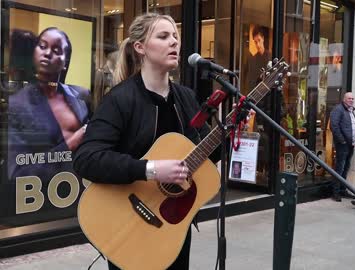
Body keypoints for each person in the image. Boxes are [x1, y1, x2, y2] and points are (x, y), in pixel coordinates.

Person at [73, 14, 220, 270]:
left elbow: (207, 156)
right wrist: (150, 169)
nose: (174, 42)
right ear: (140, 47)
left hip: (173, 222)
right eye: (163, 36)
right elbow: (86, 159)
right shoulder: (120, 100)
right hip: (129, 221)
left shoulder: (185, 98)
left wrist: (229, 131)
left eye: (175, 36)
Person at [8, 27, 90, 183]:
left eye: (57, 49)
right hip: (41, 194)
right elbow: (17, 173)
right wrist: (71, 143)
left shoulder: (82, 95)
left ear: (65, 62)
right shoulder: (17, 104)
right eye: (43, 46)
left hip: (82, 186)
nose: (47, 53)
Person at [329, 92, 355, 202]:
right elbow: (334, 126)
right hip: (343, 145)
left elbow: (353, 126)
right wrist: (342, 140)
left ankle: (343, 190)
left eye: (352, 98)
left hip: (351, 144)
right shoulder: (338, 109)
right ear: (344, 99)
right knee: (339, 168)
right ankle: (335, 192)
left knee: (346, 168)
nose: (351, 100)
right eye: (349, 98)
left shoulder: (351, 110)